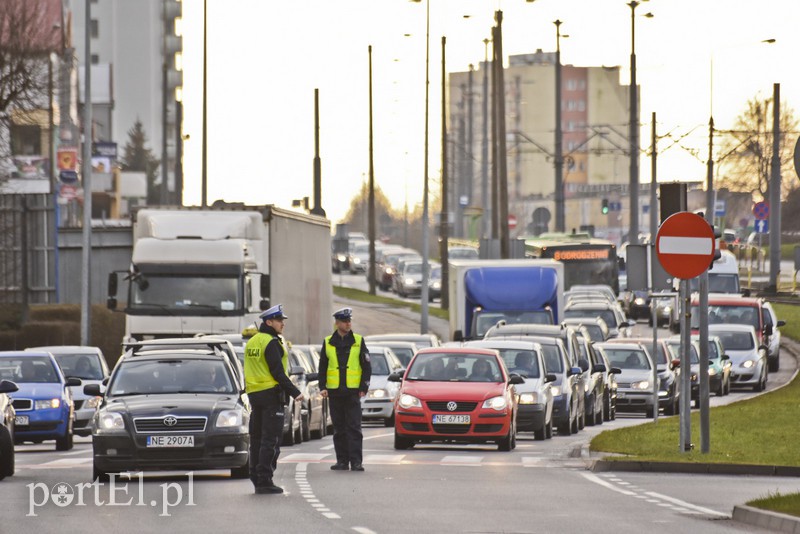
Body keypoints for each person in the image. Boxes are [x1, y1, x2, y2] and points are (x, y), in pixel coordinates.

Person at [244, 304, 304, 495]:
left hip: (255, 396)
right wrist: (295, 392)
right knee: (271, 440)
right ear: (269, 322)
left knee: (257, 439)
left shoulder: (253, 342)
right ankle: (265, 479)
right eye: (279, 321)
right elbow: (278, 372)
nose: (282, 324)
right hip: (271, 396)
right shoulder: (271, 342)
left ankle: (256, 476)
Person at [319, 307, 371, 472]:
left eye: (349, 321)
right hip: (335, 393)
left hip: (352, 392)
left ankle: (356, 462)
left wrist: (364, 386)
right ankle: (342, 461)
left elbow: (366, 366)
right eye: (345, 321)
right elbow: (322, 367)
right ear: (337, 323)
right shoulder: (328, 342)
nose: (348, 324)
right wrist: (322, 386)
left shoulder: (358, 340)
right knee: (339, 429)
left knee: (354, 428)